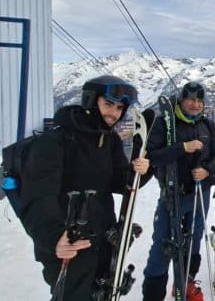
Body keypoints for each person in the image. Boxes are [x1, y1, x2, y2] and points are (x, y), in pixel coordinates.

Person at [20, 75, 150, 300]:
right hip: (69, 242)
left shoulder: (109, 140)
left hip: (102, 241)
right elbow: (38, 196)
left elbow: (122, 182)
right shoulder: (56, 141)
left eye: (119, 108)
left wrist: (143, 168)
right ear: (91, 101)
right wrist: (53, 237)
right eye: (108, 104)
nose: (114, 113)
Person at [142, 82, 215, 301]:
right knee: (163, 243)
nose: (195, 105)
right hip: (172, 193)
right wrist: (182, 148)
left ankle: (185, 283)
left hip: (200, 193)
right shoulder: (165, 123)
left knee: (194, 240)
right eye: (191, 100)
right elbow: (151, 157)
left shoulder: (207, 125)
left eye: (199, 101)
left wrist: (207, 171)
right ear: (181, 100)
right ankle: (153, 294)